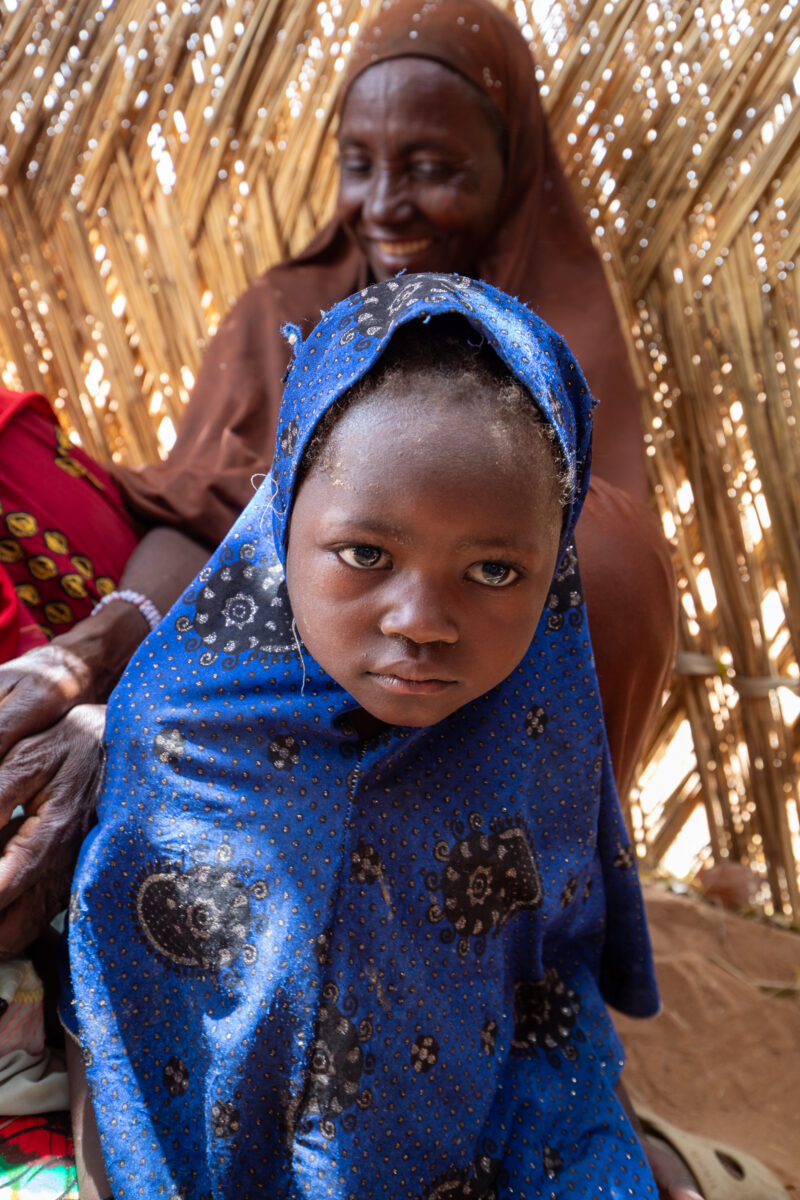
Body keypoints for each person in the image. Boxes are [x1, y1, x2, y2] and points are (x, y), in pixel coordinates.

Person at [0, 0, 675, 978]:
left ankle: (478, 940)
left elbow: (545, 562)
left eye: (434, 170)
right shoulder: (287, 312)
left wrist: (160, 715)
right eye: (359, 163)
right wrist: (96, 655)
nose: (383, 205)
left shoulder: (548, 352)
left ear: (508, 175)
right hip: (243, 681)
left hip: (420, 722)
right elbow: (210, 504)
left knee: (589, 565)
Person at [64, 273, 664, 1199]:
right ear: (281, 521)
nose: (422, 620)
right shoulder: (183, 740)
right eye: (367, 556)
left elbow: (548, 987)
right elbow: (117, 1019)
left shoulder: (541, 747)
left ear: (558, 575)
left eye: (495, 570)